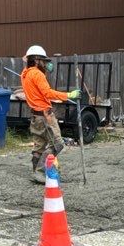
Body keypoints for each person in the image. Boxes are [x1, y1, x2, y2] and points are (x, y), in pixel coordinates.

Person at [20, 45, 77, 184]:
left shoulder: (25, 73)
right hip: (45, 116)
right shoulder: (37, 74)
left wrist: (43, 71)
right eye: (44, 61)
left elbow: (37, 86)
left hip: (35, 116)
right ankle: (40, 172)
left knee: (39, 146)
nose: (46, 64)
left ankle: (35, 171)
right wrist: (69, 95)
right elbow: (48, 93)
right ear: (37, 60)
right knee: (58, 144)